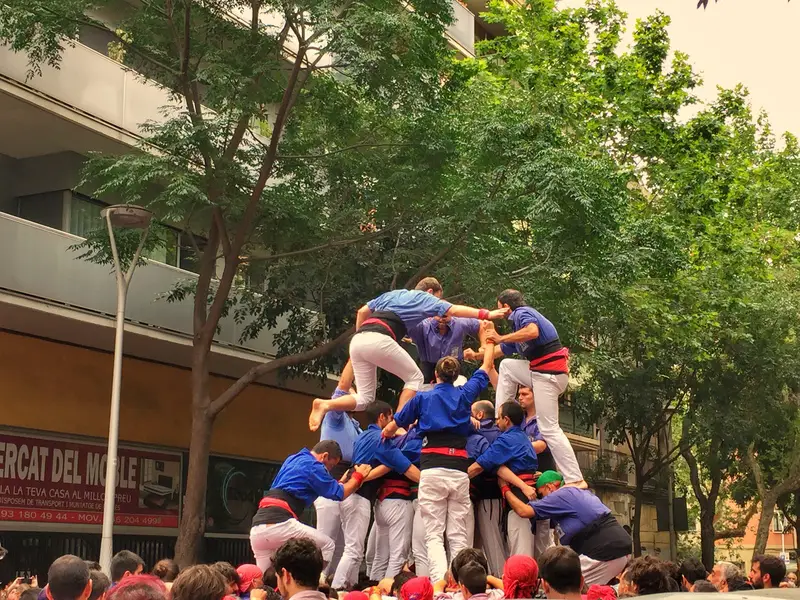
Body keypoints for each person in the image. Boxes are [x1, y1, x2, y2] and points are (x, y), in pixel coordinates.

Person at [309, 277, 509, 429]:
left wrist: (361, 334)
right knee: (414, 378)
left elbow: (362, 312)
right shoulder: (424, 298)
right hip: (381, 339)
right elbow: (454, 309)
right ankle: (396, 424)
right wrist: (487, 313)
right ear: (431, 292)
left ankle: (326, 404)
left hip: (359, 340)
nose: (436, 313)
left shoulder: (392, 294)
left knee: (365, 399)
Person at [382, 328, 498, 583]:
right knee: (458, 535)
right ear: (456, 376)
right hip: (459, 469)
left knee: (433, 535)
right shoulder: (465, 394)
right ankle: (460, 585)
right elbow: (488, 365)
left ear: (435, 375)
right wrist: (488, 339)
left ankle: (438, 584)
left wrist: (386, 435)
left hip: (432, 468)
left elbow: (394, 424)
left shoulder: (422, 398)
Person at [479, 290, 584, 488]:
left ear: (504, 307)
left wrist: (500, 337)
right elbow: (501, 351)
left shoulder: (521, 314)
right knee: (507, 366)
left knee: (549, 429)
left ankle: (575, 478)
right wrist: (477, 356)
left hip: (548, 373)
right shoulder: (517, 330)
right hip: (543, 373)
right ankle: (503, 416)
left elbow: (533, 331)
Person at [249, 440, 372, 572]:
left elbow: (323, 485)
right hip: (280, 523)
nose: (329, 470)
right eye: (331, 466)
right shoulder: (314, 466)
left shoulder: (293, 459)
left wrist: (339, 483)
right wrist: (358, 477)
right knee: (327, 546)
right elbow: (339, 494)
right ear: (324, 456)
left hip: (257, 529)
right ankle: (312, 582)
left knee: (264, 581)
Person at [332, 402, 418, 589]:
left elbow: (380, 465)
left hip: (354, 496)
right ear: (382, 417)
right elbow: (395, 464)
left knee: (361, 551)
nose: (393, 423)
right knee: (355, 551)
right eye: (391, 417)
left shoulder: (362, 436)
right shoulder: (381, 439)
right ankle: (338, 589)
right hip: (360, 497)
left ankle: (353, 588)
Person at [502, 470, 631, 585]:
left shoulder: (560, 495)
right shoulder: (577, 493)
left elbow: (523, 511)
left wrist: (504, 488)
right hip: (618, 550)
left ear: (550, 487)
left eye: (541, 494)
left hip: (604, 553)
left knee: (560, 586)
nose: (541, 500)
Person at [468, 402, 539, 558]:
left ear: (506, 420)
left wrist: (458, 478)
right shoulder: (522, 436)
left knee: (520, 553)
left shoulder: (507, 439)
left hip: (519, 497)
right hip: (526, 494)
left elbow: (480, 465)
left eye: (498, 418)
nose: (496, 422)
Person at [315, 363, 363, 579]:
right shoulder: (335, 416)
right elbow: (342, 389)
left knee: (344, 545)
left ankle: (333, 586)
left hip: (349, 482)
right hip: (330, 478)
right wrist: (354, 358)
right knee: (326, 539)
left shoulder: (356, 424)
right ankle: (316, 582)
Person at [468, 401, 506, 577]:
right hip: (494, 493)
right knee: (489, 540)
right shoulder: (500, 433)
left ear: (480, 415)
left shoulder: (477, 433)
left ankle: (500, 580)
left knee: (490, 541)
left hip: (486, 494)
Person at [517, 387, 555, 558]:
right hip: (524, 481)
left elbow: (541, 445)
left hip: (543, 478)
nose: (520, 397)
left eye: (525, 394)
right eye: (519, 394)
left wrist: (514, 448)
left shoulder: (543, 419)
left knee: (544, 531)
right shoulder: (519, 420)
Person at [409, 316, 480, 389]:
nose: (442, 319)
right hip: (428, 369)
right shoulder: (422, 326)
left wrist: (482, 348)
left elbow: (484, 325)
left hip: (453, 368)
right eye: (438, 313)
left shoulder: (460, 324)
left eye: (445, 315)